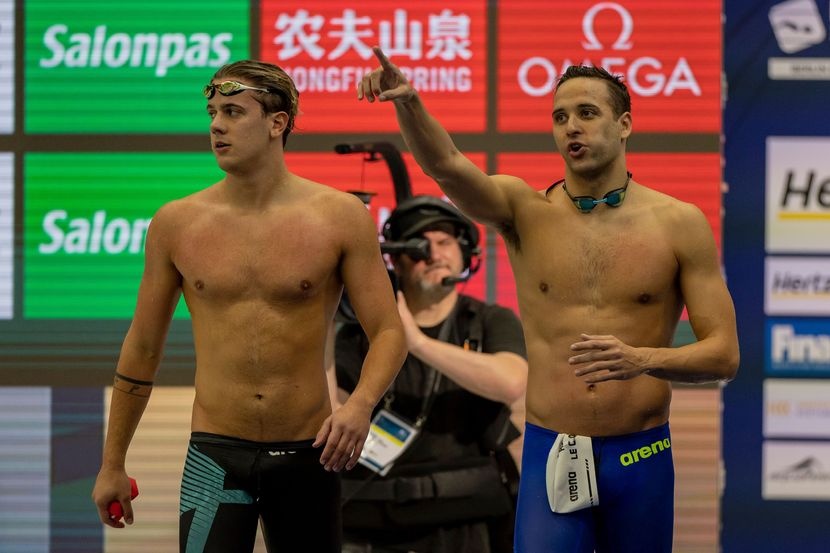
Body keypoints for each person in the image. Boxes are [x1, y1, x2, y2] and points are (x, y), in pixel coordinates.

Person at [357, 47, 740, 553]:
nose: (571, 127)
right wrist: (408, 103)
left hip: (641, 453)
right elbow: (447, 167)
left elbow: (724, 355)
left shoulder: (678, 223)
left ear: (624, 124)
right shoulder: (523, 210)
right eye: (560, 117)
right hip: (552, 447)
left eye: (587, 113)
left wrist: (642, 359)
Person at [91, 60, 406, 553]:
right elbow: (143, 347)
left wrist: (361, 405)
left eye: (234, 112)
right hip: (215, 454)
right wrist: (113, 463)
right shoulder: (177, 223)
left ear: (277, 123)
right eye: (213, 112)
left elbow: (387, 329)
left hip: (310, 453)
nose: (217, 125)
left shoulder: (340, 216)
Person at [335, 195, 529, 553]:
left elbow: (511, 382)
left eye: (444, 242)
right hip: (369, 517)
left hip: (466, 514)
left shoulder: (488, 321)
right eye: (419, 245)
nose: (433, 254)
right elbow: (334, 412)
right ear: (395, 260)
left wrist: (417, 343)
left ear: (465, 251)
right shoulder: (357, 334)